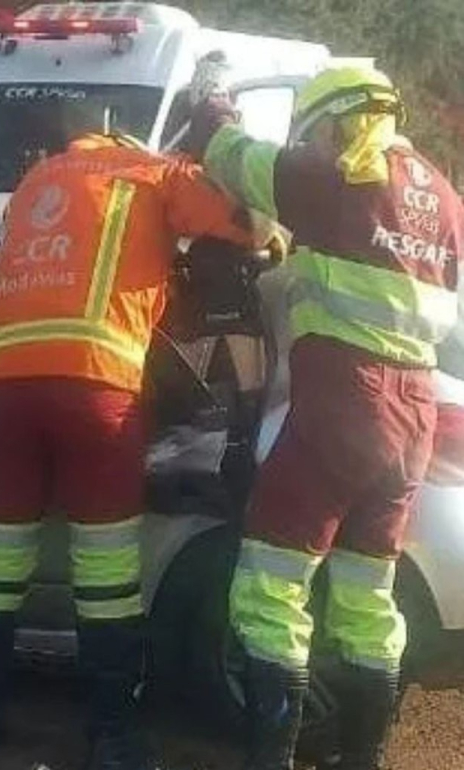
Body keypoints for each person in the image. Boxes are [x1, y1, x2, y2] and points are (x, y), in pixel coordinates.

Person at [0, 131, 259, 770]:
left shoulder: (38, 183)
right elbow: (234, 221)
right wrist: (266, 234)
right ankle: (110, 733)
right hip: (95, 384)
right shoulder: (152, 171)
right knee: (106, 572)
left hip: (4, 389)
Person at [187, 65, 464, 769]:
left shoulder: (338, 172)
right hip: (414, 415)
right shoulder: (442, 192)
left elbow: (235, 159)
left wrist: (211, 105)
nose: (307, 144)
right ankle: (362, 759)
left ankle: (271, 758)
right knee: (369, 598)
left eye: (311, 132)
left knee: (270, 584)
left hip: (346, 399)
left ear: (337, 120)